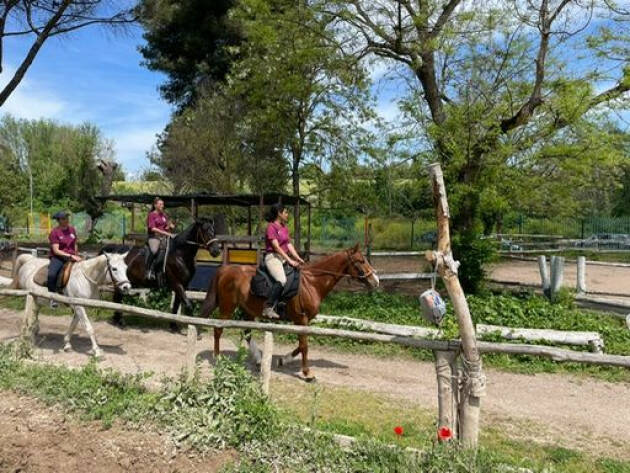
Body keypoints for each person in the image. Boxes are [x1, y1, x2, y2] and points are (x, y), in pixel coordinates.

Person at [263, 203, 305, 319]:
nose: (287, 214)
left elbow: (288, 244)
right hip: (273, 258)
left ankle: (283, 304)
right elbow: (276, 247)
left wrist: (298, 258)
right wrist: (290, 261)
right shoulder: (271, 227)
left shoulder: (284, 228)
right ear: (279, 213)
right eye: (285, 212)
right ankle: (268, 307)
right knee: (281, 280)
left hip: (282, 258)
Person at [48, 211, 82, 308]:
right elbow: (56, 250)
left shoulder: (72, 230)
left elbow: (75, 243)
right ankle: (53, 298)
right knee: (52, 275)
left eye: (66, 218)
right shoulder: (54, 232)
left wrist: (76, 254)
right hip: (58, 257)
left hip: (73, 256)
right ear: (58, 221)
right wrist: (71, 256)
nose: (66, 220)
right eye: (63, 218)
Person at [146, 197, 174, 280]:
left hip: (164, 237)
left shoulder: (164, 215)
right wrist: (166, 233)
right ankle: (149, 270)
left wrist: (170, 226)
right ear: (155, 205)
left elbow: (166, 226)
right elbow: (153, 228)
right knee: (154, 251)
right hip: (154, 237)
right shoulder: (152, 215)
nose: (162, 206)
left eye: (163, 204)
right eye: (160, 204)